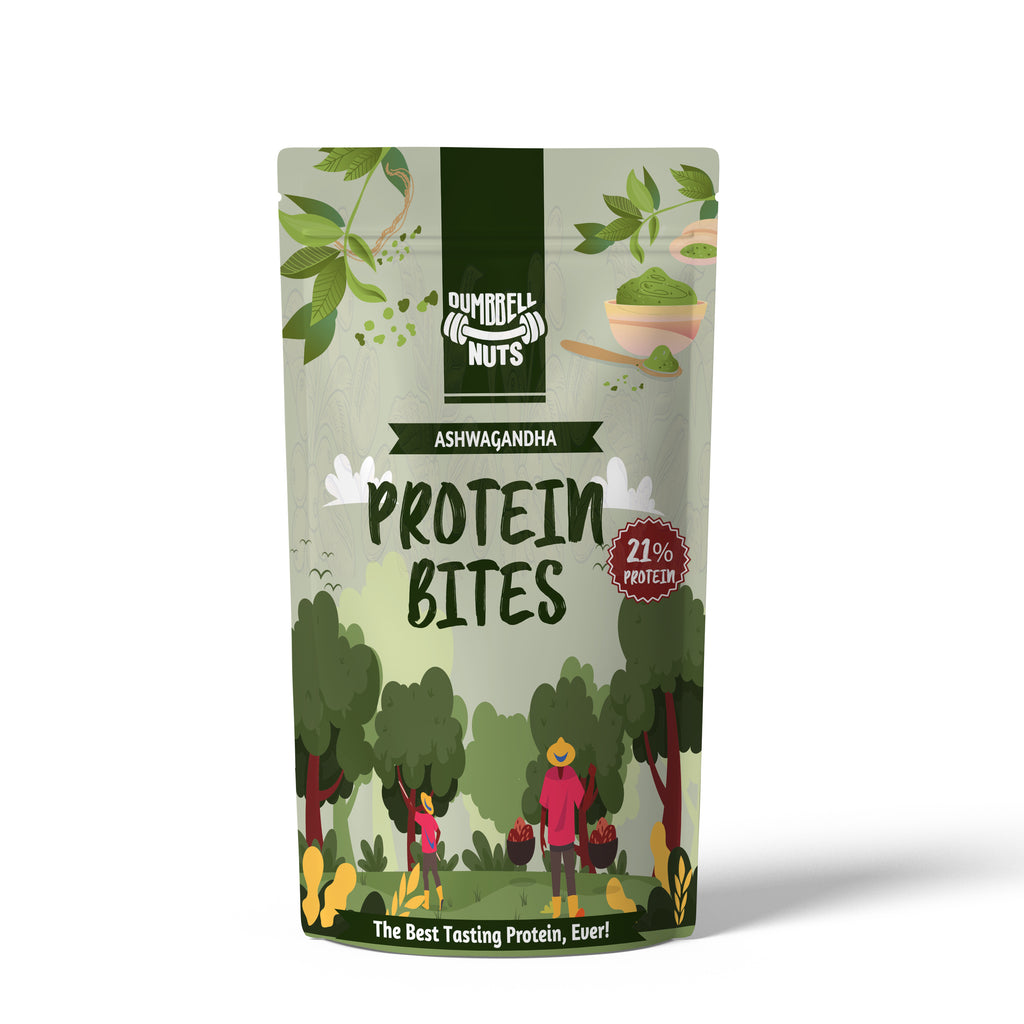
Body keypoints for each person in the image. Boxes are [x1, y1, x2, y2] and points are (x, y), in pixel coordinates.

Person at [539, 737, 594, 919]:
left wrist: (592, 780)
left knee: (569, 874)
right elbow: (544, 808)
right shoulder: (550, 777)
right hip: (555, 836)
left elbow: (582, 804)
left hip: (567, 835)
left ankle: (572, 911)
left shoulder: (571, 775)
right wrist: (541, 835)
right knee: (557, 875)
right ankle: (557, 911)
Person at [414, 792, 443, 909]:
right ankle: (441, 898)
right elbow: (439, 832)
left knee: (425, 876)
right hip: (433, 851)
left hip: (427, 852)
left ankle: (426, 903)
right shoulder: (431, 819)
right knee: (435, 874)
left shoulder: (423, 818)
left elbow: (413, 812)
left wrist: (418, 807)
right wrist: (435, 844)